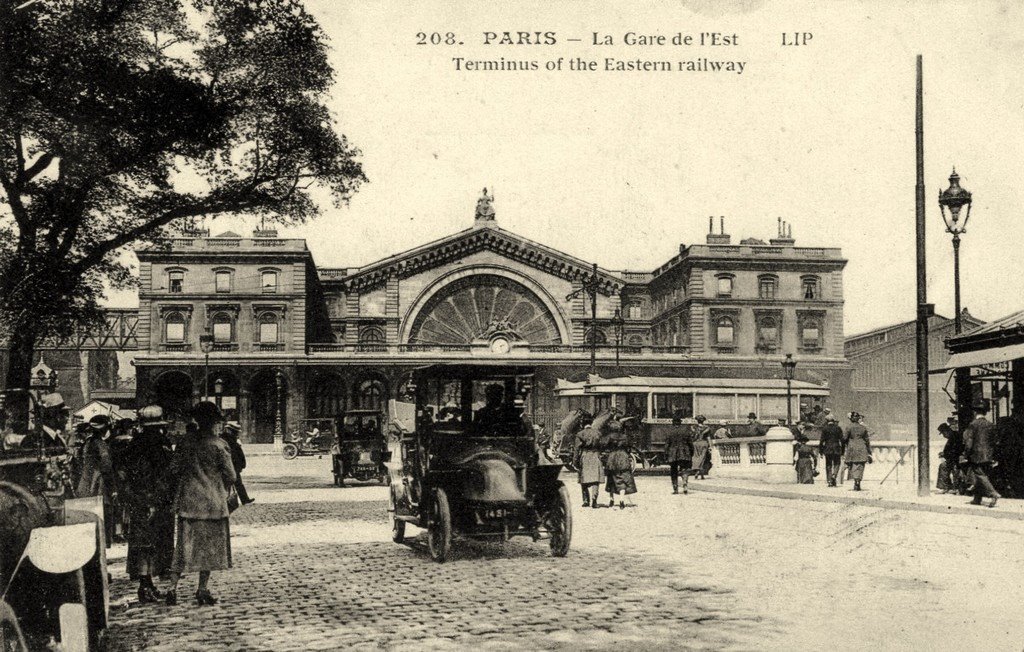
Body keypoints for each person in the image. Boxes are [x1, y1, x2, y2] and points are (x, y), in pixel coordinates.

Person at [165, 402, 236, 606]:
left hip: (188, 502)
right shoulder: (219, 445)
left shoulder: (185, 443)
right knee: (209, 548)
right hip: (213, 504)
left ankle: (172, 588)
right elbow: (231, 475)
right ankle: (202, 589)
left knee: (183, 548)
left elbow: (174, 468)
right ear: (214, 421)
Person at [123, 405, 175, 602]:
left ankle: (146, 584)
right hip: (153, 498)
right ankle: (146, 586)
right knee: (151, 542)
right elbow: (162, 473)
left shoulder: (134, 443)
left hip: (140, 498)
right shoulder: (159, 444)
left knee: (143, 542)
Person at [76, 414, 117, 543]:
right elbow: (106, 467)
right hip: (99, 485)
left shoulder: (86, 443)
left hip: (84, 484)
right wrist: (113, 488)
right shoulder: (101, 445)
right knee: (102, 517)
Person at [962, 400, 1000, 508]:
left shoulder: (973, 424)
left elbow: (969, 442)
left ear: (975, 412)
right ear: (986, 412)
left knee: (979, 474)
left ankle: (993, 493)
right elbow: (995, 441)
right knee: (982, 475)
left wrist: (965, 454)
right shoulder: (990, 425)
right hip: (988, 455)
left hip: (976, 455)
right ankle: (977, 499)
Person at [603, 422, 636, 508]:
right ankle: (621, 500)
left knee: (611, 479)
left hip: (612, 457)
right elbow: (629, 447)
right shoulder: (625, 437)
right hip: (623, 457)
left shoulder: (610, 436)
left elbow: (604, 445)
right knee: (623, 479)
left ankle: (611, 499)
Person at [221, 422, 254, 505]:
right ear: (230, 431)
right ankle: (243, 499)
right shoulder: (229, 440)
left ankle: (244, 499)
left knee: (235, 483)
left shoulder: (227, 439)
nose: (236, 434)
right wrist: (241, 465)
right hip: (231, 465)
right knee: (236, 483)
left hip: (232, 465)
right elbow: (237, 454)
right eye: (235, 431)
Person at [574, 418, 604, 508]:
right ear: (591, 424)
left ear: (583, 424)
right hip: (595, 455)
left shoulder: (580, 434)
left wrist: (575, 461)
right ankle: (594, 500)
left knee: (584, 478)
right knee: (595, 479)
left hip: (585, 456)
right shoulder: (598, 433)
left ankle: (586, 500)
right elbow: (602, 446)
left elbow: (577, 449)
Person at [843, 412, 872, 491]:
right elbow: (867, 440)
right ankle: (858, 480)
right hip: (862, 447)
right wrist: (869, 451)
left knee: (854, 464)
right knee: (861, 465)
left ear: (852, 418)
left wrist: (845, 445)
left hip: (852, 447)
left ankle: (856, 480)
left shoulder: (849, 427)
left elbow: (845, 438)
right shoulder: (863, 428)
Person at [664, 416, 693, 494]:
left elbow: (667, 444)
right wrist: (691, 453)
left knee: (673, 471)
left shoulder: (669, 431)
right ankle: (685, 484)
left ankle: (675, 488)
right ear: (680, 423)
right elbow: (690, 443)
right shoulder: (686, 431)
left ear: (673, 423)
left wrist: (666, 454)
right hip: (684, 453)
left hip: (673, 454)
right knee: (684, 469)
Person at [936, 416, 964, 494]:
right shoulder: (952, 438)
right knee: (943, 466)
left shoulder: (955, 437)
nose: (943, 436)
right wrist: (944, 454)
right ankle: (945, 487)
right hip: (953, 459)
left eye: (943, 433)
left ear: (947, 431)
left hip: (957, 459)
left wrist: (945, 454)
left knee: (953, 468)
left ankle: (956, 487)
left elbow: (956, 450)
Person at [819, 413, 844, 487]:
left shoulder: (825, 428)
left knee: (828, 464)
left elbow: (821, 441)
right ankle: (834, 476)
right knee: (837, 463)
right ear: (833, 420)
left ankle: (829, 480)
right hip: (836, 448)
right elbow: (842, 440)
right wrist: (843, 451)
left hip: (828, 448)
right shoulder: (838, 428)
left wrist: (821, 451)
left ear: (826, 420)